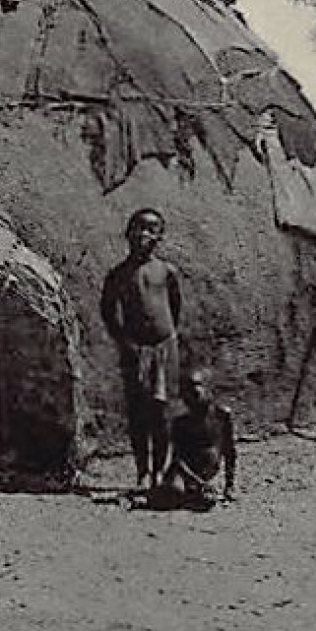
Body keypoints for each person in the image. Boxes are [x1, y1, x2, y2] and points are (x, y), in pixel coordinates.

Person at [100, 208, 183, 489]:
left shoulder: (166, 271)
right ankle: (142, 471)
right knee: (138, 411)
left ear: (160, 236)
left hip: (163, 349)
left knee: (161, 412)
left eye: (151, 229)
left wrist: (167, 339)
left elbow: (175, 307)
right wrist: (125, 341)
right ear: (127, 233)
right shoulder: (118, 275)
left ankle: (160, 470)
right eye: (137, 227)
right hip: (135, 351)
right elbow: (109, 312)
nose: (143, 234)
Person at [162, 367, 236, 508]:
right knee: (174, 492)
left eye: (199, 385)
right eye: (190, 388)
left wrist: (229, 485)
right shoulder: (180, 422)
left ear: (209, 389)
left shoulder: (221, 416)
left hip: (208, 468)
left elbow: (229, 451)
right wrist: (196, 481)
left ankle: (196, 491)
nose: (196, 392)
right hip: (186, 471)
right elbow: (178, 459)